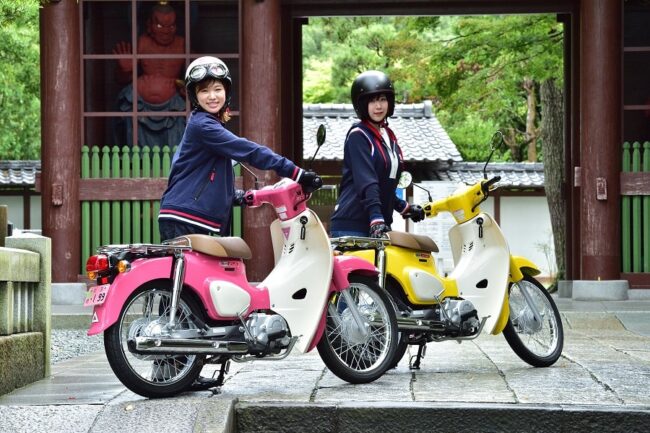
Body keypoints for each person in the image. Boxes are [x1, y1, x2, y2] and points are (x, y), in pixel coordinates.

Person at [158, 56, 320, 240]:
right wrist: (297, 173)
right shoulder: (203, 126)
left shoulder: (204, 124)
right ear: (195, 96)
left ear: (226, 91)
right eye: (204, 91)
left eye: (217, 89)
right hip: (184, 217)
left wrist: (238, 196)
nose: (212, 96)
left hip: (186, 215)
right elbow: (250, 151)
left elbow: (200, 175)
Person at [329, 70, 424, 239]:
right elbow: (367, 182)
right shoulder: (359, 136)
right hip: (353, 224)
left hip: (379, 223)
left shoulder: (389, 136)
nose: (378, 106)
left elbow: (384, 184)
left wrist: (404, 207)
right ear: (362, 104)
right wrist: (376, 218)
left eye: (382, 99)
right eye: (372, 100)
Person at [112, 2, 186, 146]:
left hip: (173, 105)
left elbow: (196, 77)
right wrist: (125, 70)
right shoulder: (142, 43)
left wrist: (187, 87)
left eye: (171, 26)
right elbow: (121, 79)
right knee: (129, 118)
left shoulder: (182, 44)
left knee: (176, 139)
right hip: (139, 103)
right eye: (159, 26)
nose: (166, 31)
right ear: (149, 25)